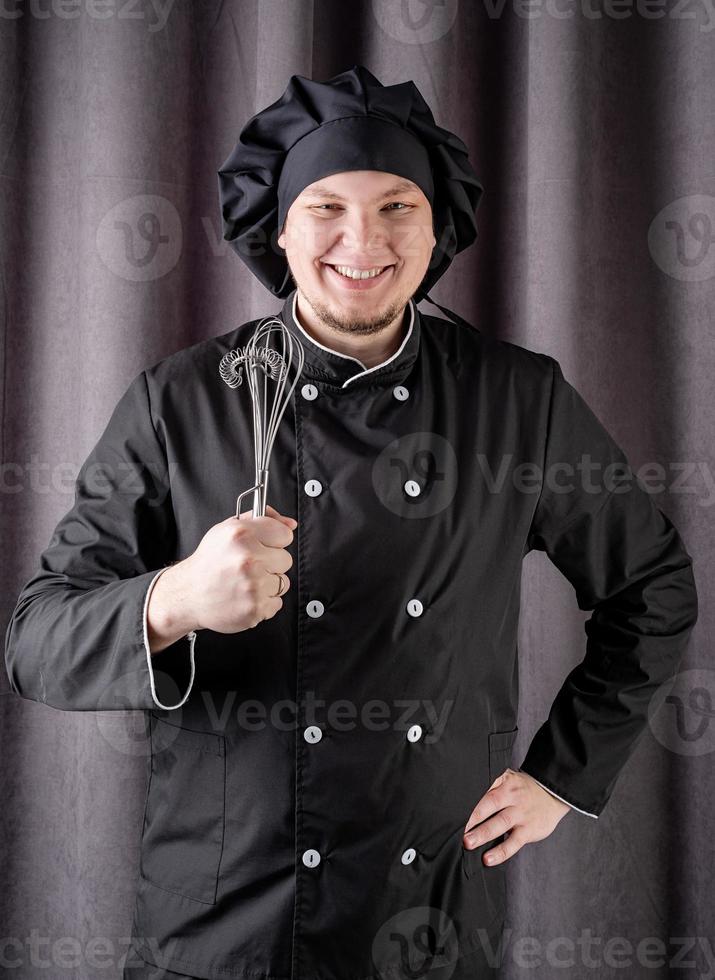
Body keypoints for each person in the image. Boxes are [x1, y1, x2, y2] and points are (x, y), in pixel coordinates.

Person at [5, 65, 698, 980]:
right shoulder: (180, 400)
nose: (361, 240)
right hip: (224, 918)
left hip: (427, 915)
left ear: (435, 224)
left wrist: (562, 777)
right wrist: (174, 600)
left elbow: (650, 588)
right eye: (326, 206)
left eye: (396, 206)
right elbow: (35, 641)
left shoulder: (516, 400)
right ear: (280, 229)